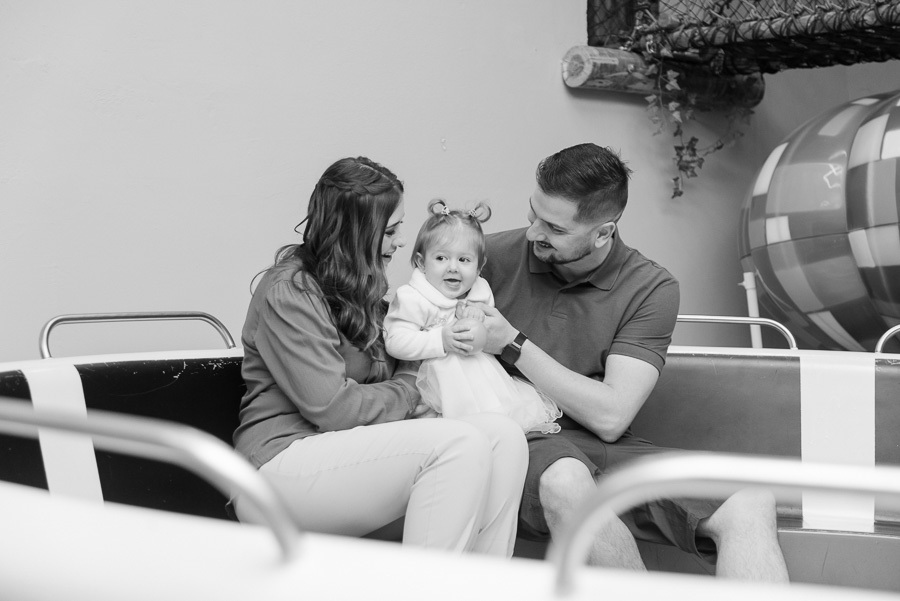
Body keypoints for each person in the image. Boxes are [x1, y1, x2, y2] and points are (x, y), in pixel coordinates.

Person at [470, 143, 790, 580]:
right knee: (567, 480)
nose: (532, 233)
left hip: (603, 446)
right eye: (534, 215)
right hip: (525, 438)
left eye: (554, 228)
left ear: (603, 232)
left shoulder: (651, 287)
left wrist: (513, 343)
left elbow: (611, 416)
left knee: (750, 500)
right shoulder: (483, 259)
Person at [233, 156, 528, 556]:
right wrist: (411, 391)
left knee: (503, 436)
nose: (401, 241)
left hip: (350, 453)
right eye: (389, 230)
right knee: (458, 444)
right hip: (279, 466)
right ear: (355, 234)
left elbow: (399, 367)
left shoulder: (362, 289)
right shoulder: (291, 291)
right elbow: (335, 408)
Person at [384, 198, 561, 434]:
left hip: (480, 379)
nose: (453, 267)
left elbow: (488, 339)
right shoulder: (413, 298)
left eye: (464, 260)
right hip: (430, 383)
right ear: (421, 263)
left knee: (499, 426)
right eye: (441, 258)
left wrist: (478, 319)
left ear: (479, 267)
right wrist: (441, 340)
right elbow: (395, 341)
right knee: (451, 434)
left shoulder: (479, 293)